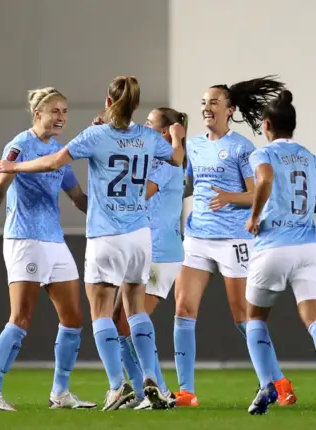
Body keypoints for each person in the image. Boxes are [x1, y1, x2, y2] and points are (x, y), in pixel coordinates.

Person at [0, 76, 186, 411]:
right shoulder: (146, 137)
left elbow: (54, 162)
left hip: (106, 235)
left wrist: (15, 166)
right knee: (136, 310)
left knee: (101, 314)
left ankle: (116, 386)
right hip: (141, 235)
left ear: (108, 101)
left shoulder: (96, 135)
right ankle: (151, 377)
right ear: (136, 106)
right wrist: (177, 137)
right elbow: (177, 159)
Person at [173, 76, 297, 407]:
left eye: (213, 102)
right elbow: (188, 187)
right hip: (197, 237)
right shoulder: (195, 146)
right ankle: (186, 391)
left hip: (234, 240)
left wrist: (229, 196)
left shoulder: (243, 147)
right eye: (203, 103)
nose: (206, 108)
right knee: (183, 309)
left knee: (243, 316)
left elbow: (257, 192)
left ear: (229, 110)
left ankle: (277, 380)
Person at [0, 87, 95, 411]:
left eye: (65, 112)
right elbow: (3, 181)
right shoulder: (20, 145)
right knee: (21, 318)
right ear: (37, 114)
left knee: (73, 319)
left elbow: (78, 198)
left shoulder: (60, 152)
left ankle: (60, 392)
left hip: (54, 240)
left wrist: (113, 211)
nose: (61, 117)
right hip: (24, 239)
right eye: (54, 111)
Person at [244, 89, 316, 416]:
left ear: (267, 125)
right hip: (310, 248)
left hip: (274, 246)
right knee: (315, 319)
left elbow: (266, 179)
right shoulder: (312, 158)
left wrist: (255, 215)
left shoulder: (262, 154)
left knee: (255, 317)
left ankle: (266, 386)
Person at [111, 108, 187, 410]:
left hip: (160, 253)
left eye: (150, 122)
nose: (143, 125)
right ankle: (145, 392)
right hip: (145, 250)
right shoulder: (158, 158)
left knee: (131, 322)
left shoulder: (167, 162)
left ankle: (161, 390)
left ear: (166, 131)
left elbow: (139, 194)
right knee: (119, 324)